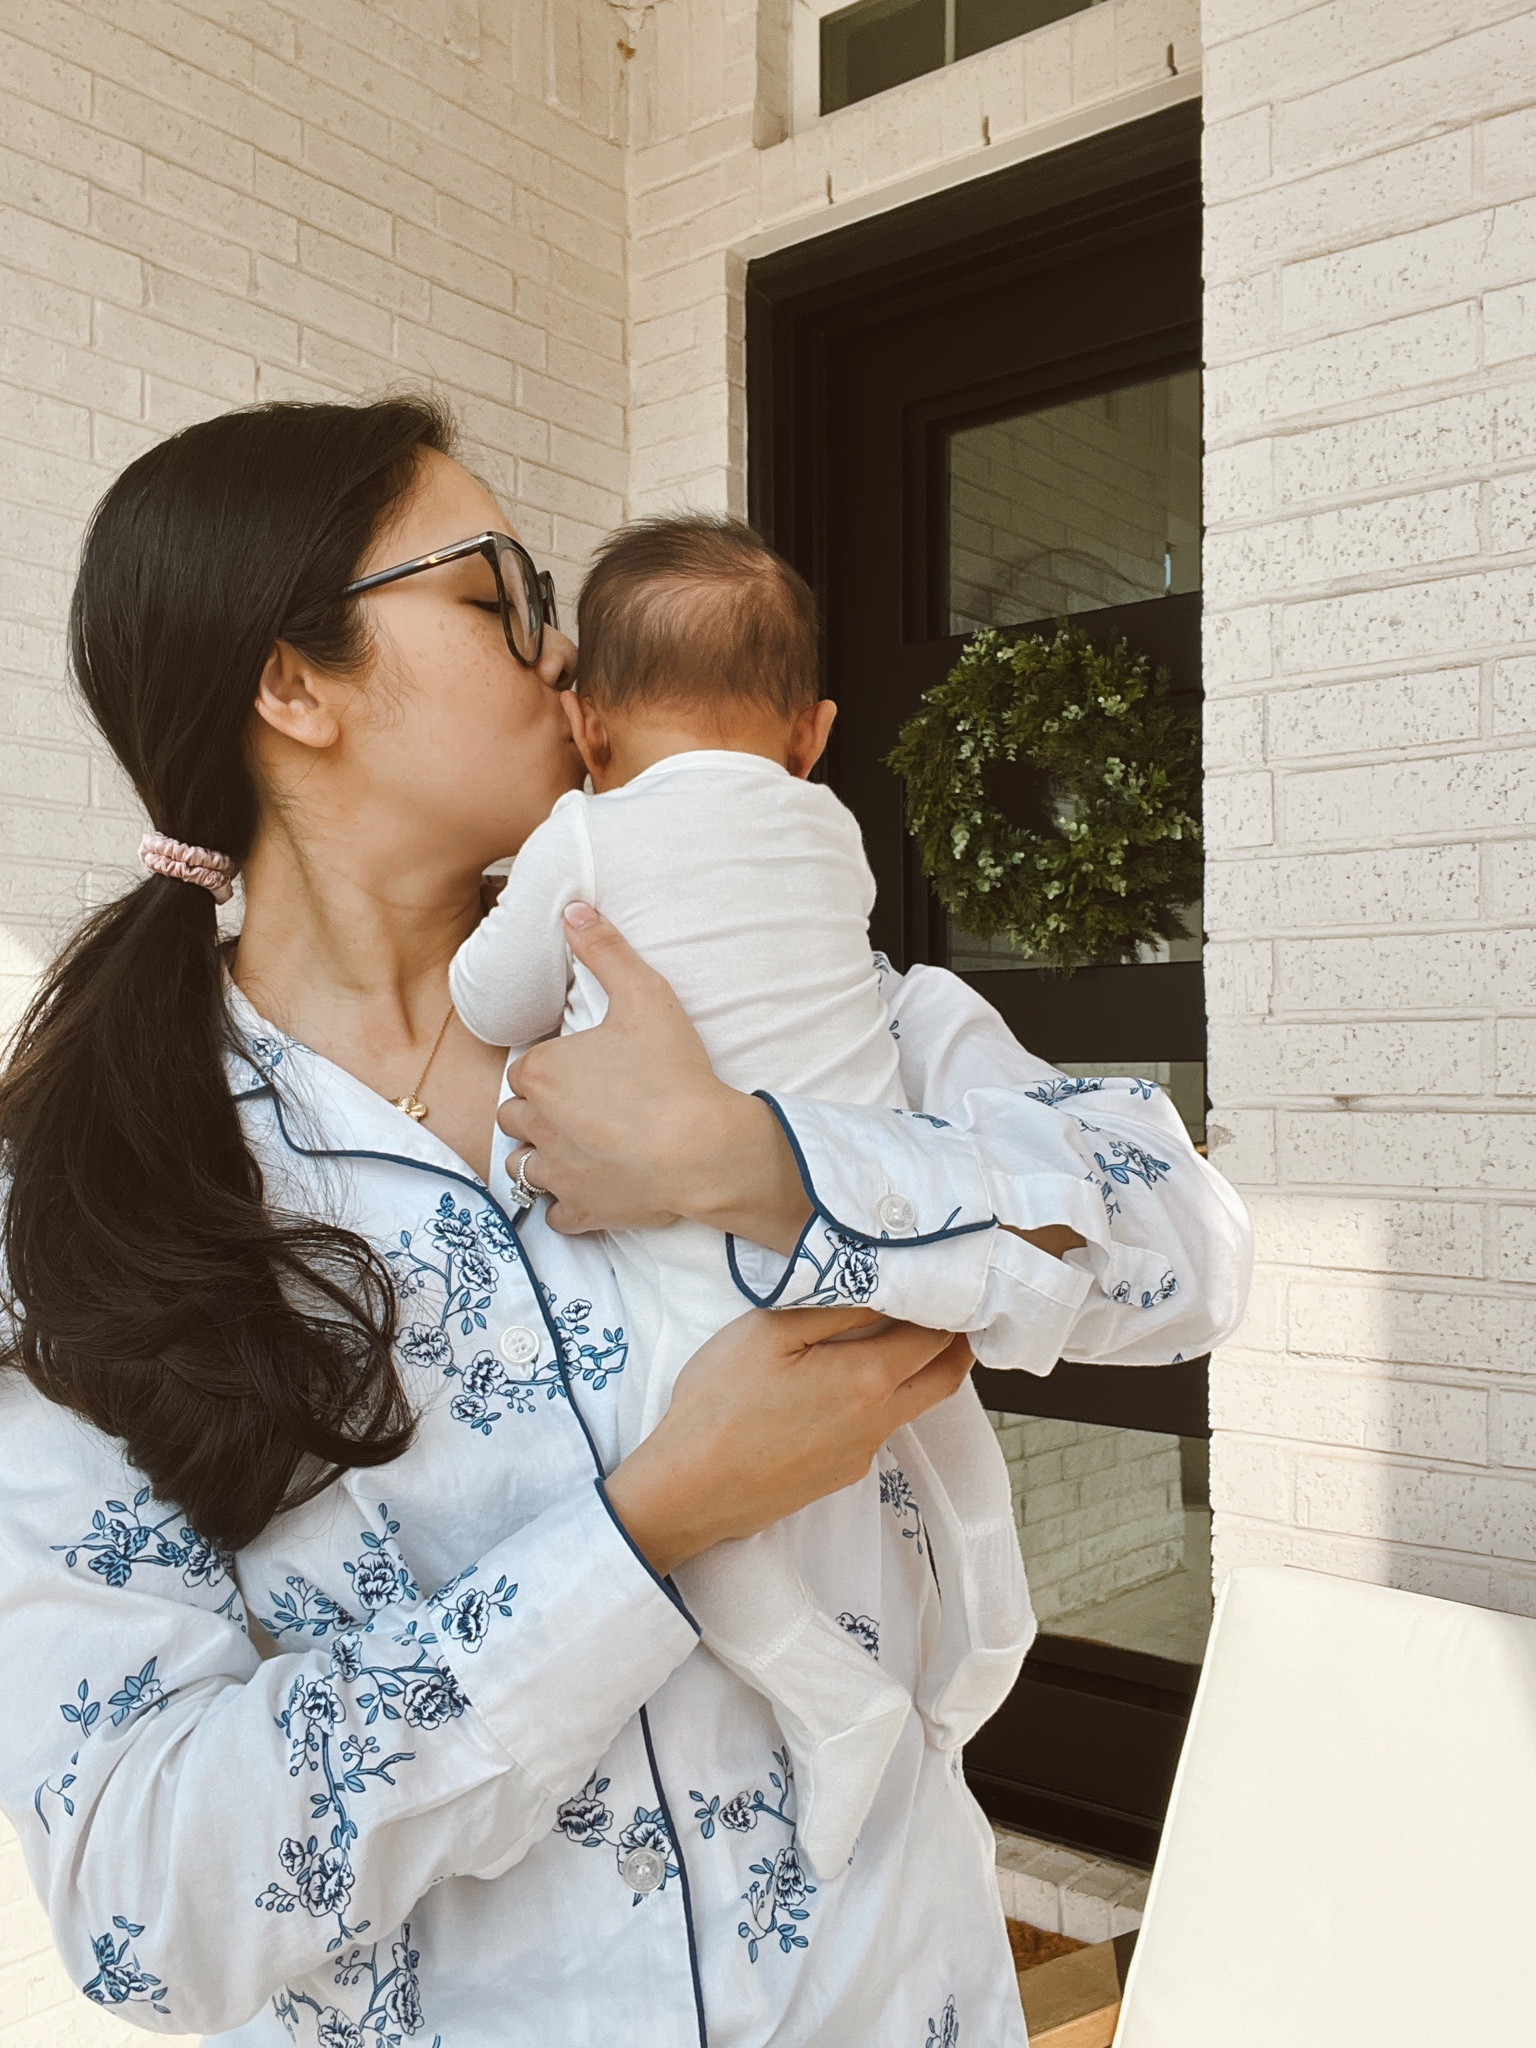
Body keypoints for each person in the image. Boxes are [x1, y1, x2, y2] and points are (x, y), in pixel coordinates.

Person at [0, 396, 1251, 2047]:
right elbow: (149, 1900)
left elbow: (1189, 1251)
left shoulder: (773, 999)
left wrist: (772, 1169)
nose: (567, 639)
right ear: (291, 683)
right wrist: (650, 1523)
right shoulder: (99, 1194)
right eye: (497, 587)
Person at [451, 512, 925, 1877]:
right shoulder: (831, 834)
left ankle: (833, 1700)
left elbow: (492, 999)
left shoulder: (590, 834)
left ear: (587, 725)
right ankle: (914, 1677)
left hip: (692, 1251)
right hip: (850, 1218)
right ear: (812, 731)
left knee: (658, 1482)